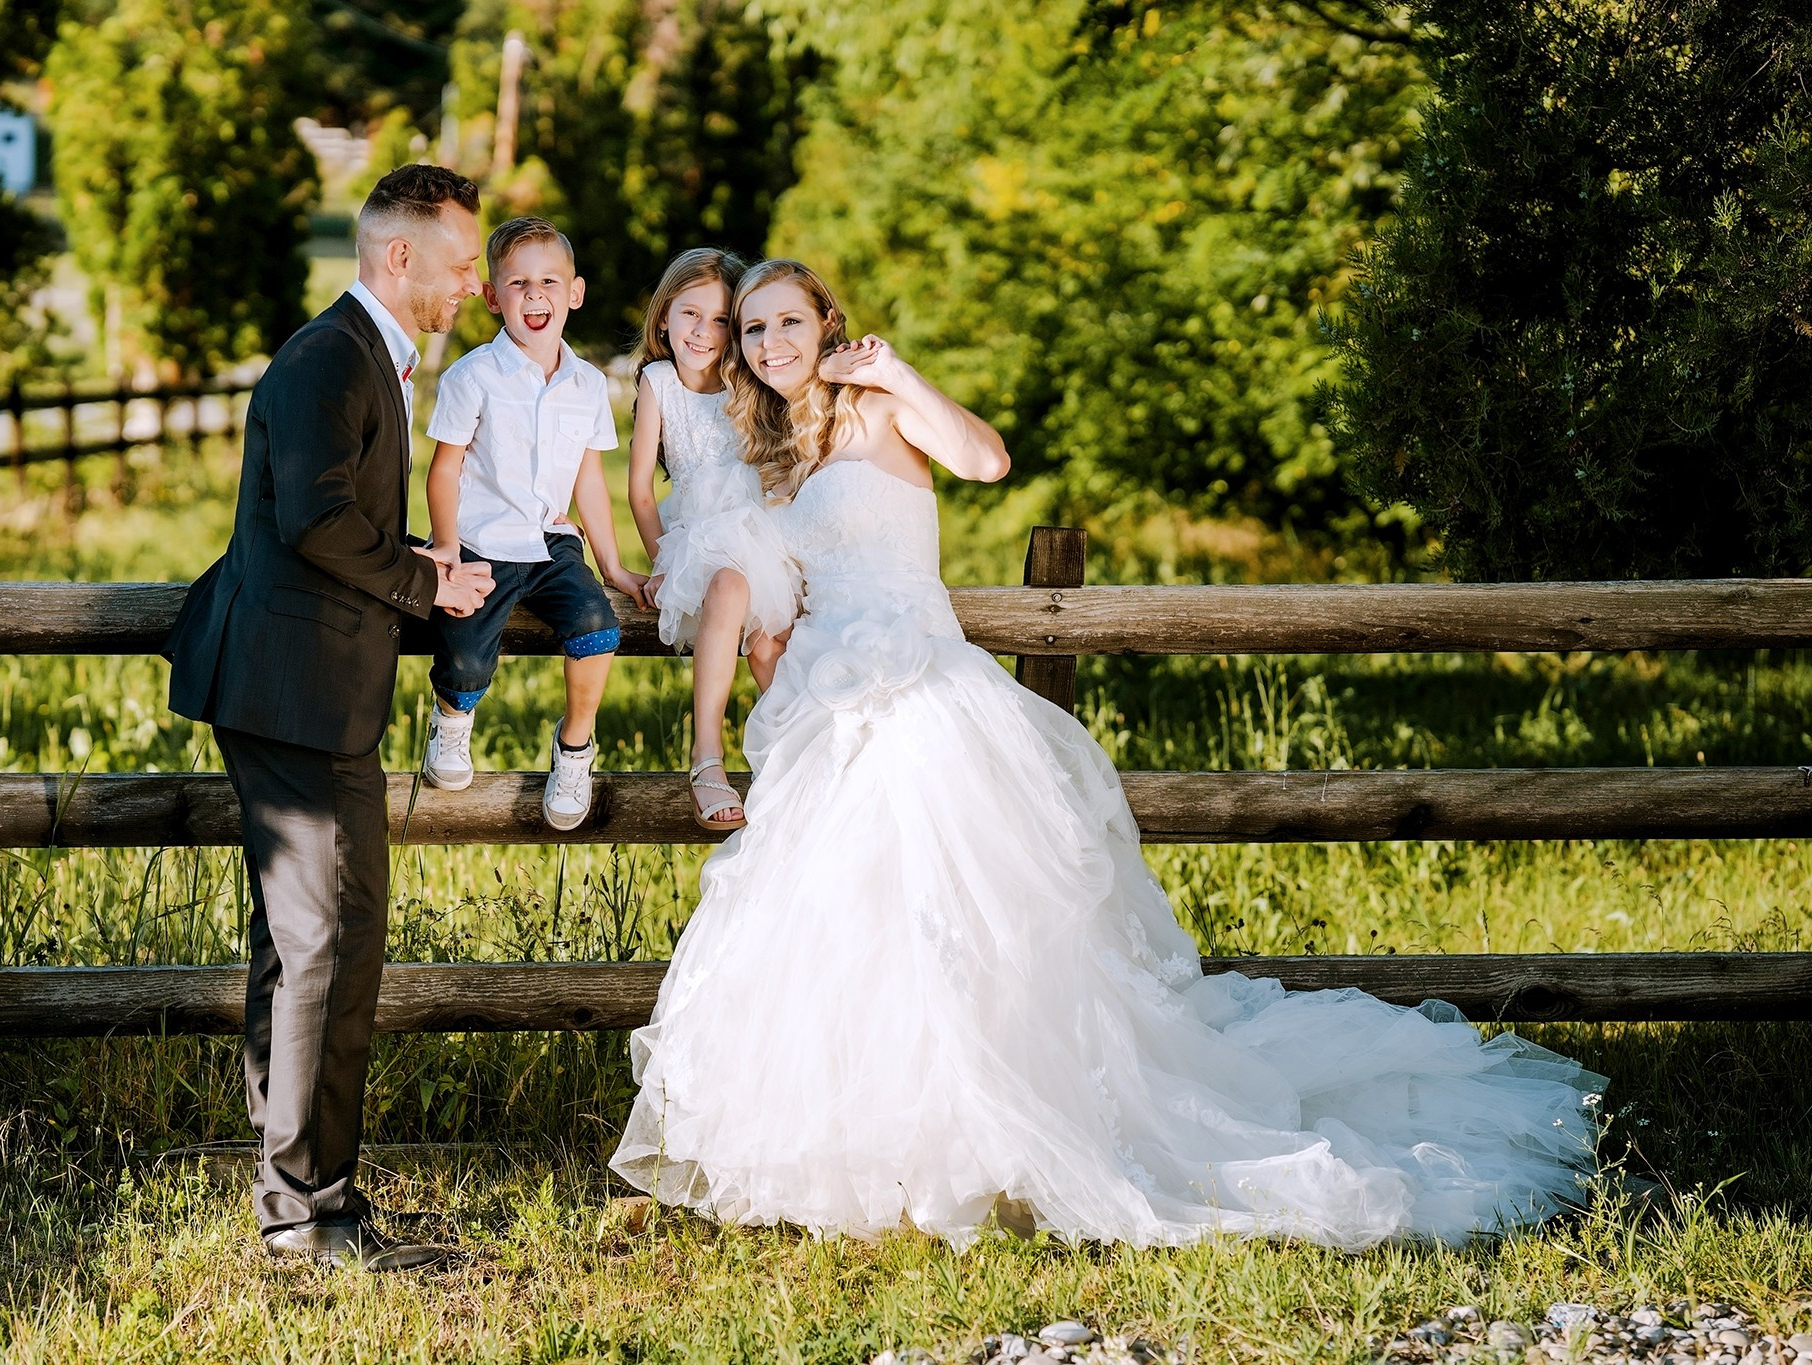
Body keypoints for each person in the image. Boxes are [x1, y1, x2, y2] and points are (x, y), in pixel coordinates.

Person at [609, 259, 1605, 1251]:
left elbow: (985, 462)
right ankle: (871, 1154)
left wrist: (902, 372)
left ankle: (990, 1144)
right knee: (838, 923)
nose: (768, 344)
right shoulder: (772, 448)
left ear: (827, 323)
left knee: (954, 928)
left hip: (918, 683)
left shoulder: (877, 406)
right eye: (751, 331)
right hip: (826, 700)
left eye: (786, 321)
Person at [165, 164, 495, 1270]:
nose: (473, 286)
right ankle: (312, 1215)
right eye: (459, 264)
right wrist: (427, 585)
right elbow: (311, 519)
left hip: (300, 688)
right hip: (295, 695)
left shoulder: (366, 360)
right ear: (397, 257)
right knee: (331, 947)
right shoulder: (329, 359)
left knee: (299, 949)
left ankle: (294, 1202)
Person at [419, 216, 651, 830]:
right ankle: (450, 722)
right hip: (481, 541)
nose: (535, 294)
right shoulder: (472, 376)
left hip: (551, 545)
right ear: (493, 298)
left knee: (598, 626)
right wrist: (445, 547)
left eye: (550, 280)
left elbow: (588, 480)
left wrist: (613, 565)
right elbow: (444, 471)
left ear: (574, 292)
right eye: (518, 283)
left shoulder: (588, 384)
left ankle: (575, 746)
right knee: (467, 661)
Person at [626, 248, 799, 830]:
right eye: (689, 314)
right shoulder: (659, 383)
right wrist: (661, 563)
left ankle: (798, 765)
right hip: (697, 539)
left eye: (722, 320)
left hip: (762, 527)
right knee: (727, 588)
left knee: (770, 644)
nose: (704, 332)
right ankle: (706, 757)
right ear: (663, 319)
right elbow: (642, 492)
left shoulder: (746, 381)